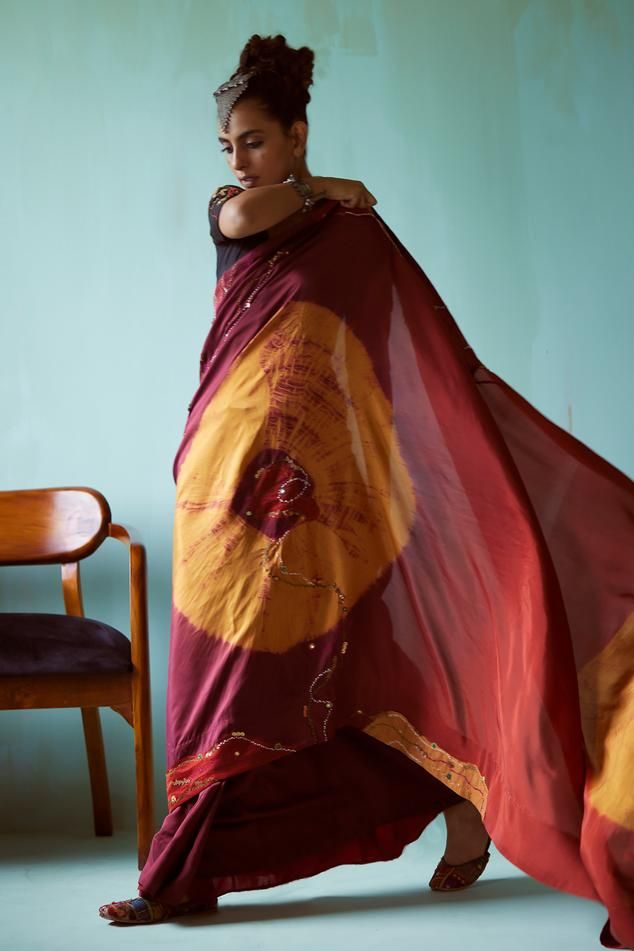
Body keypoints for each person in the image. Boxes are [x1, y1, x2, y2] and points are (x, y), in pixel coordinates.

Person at [99, 35, 634, 948]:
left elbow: (397, 356)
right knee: (217, 682)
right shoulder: (247, 209)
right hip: (222, 486)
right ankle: (192, 859)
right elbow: (240, 220)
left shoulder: (350, 232)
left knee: (373, 655)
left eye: (256, 141)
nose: (237, 161)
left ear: (298, 134)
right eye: (228, 146)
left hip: (312, 496)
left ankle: (447, 802)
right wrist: (320, 186)